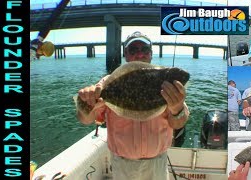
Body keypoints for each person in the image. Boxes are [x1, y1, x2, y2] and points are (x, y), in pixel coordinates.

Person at [76, 31, 189, 180]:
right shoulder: (107, 83)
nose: (139, 54)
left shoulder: (168, 87)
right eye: (133, 50)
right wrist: (86, 103)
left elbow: (178, 122)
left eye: (144, 49)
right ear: (126, 54)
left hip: (158, 164)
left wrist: (176, 108)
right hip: (122, 166)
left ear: (151, 54)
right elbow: (86, 119)